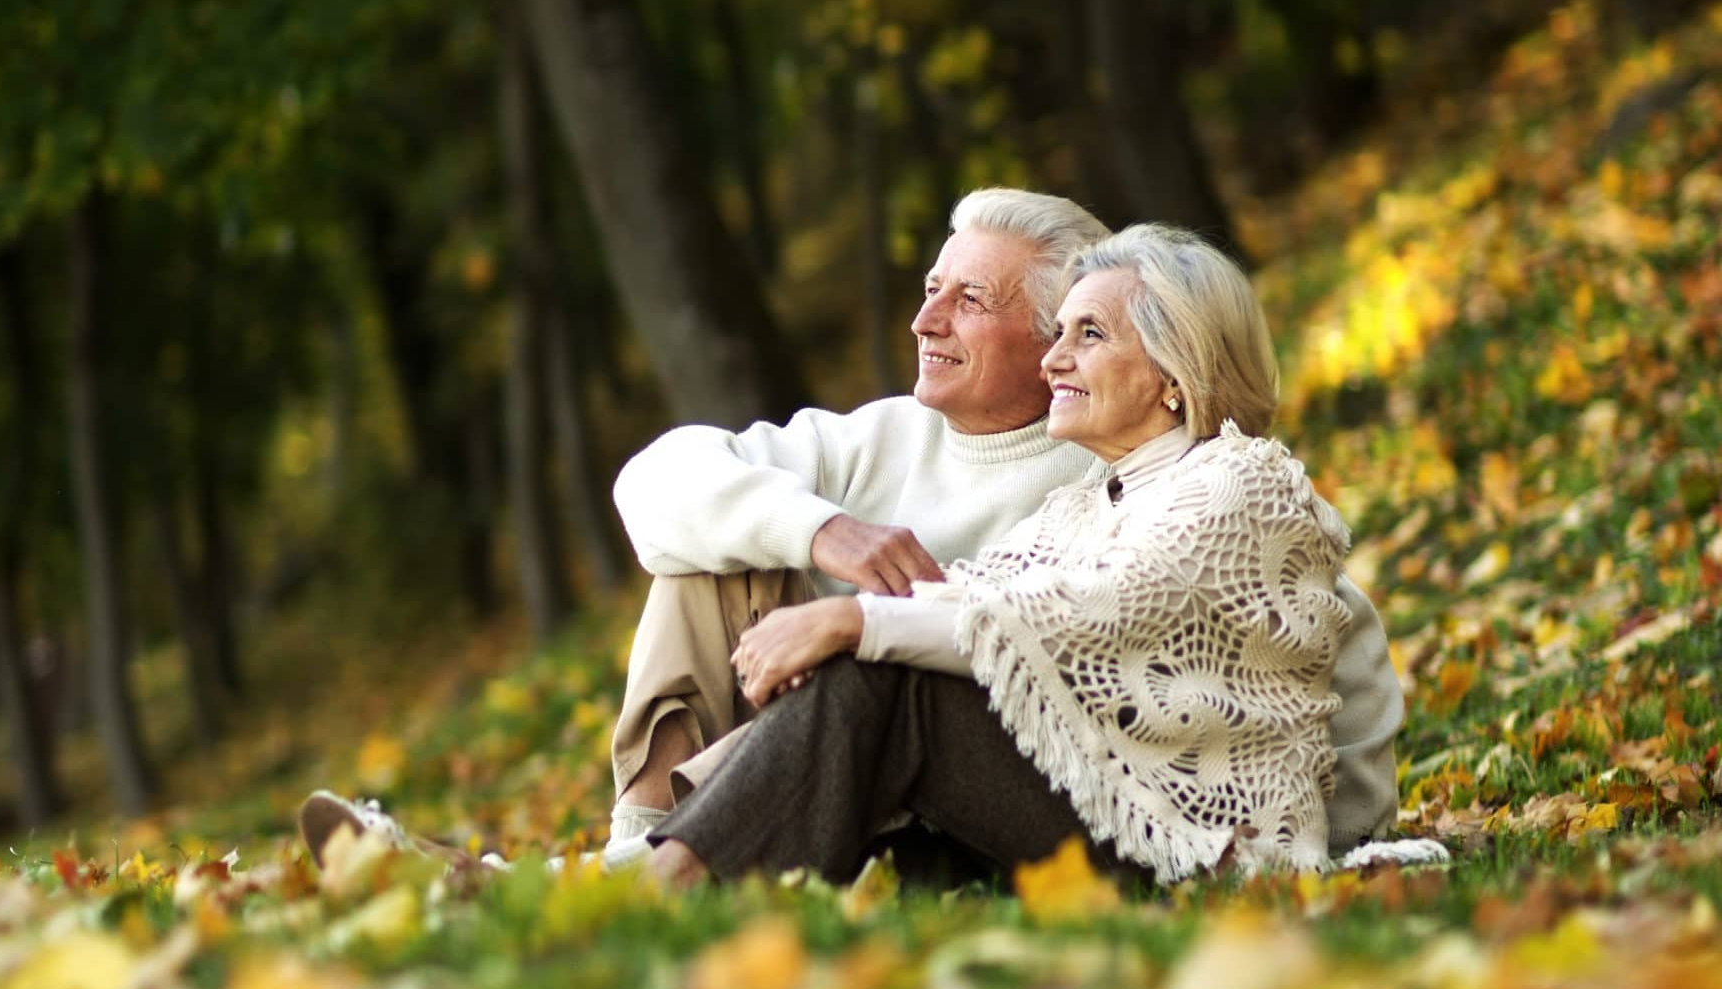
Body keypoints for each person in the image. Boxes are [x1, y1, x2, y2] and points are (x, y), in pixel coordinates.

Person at [297, 190, 1402, 873]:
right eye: (929, 289)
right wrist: (825, 538)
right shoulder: (971, 465)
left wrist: (1330, 829)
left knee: (884, 661)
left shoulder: (1202, 482)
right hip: (917, 771)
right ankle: (637, 857)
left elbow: (1298, 653)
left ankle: (622, 882)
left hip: (1122, 834)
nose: (923, 320)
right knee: (723, 569)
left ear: (1156, 369)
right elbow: (656, 487)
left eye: (973, 303)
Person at [644, 224, 1360, 887]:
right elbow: (962, 598)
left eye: (1090, 334)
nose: (1054, 358)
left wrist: (852, 623)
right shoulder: (1082, 505)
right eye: (1059, 333)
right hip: (1082, 809)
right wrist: (852, 627)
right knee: (878, 752)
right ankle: (673, 865)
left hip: (1198, 851)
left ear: (1174, 371)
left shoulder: (1242, 481)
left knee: (890, 677)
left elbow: (1096, 613)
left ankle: (661, 885)